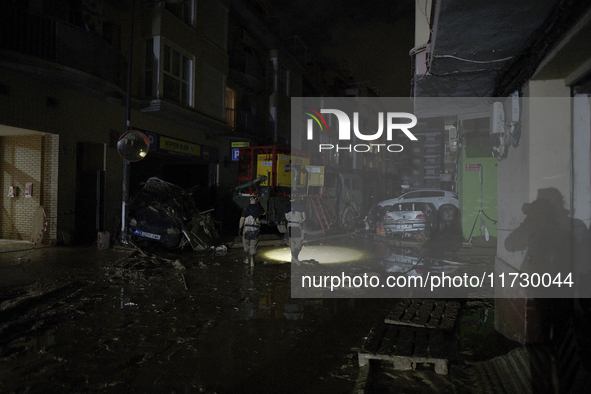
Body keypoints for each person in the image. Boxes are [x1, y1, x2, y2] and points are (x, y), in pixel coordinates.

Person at [238, 193, 265, 265]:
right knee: (253, 246)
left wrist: (240, 229)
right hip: (255, 229)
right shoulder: (259, 208)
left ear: (250, 199)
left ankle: (246, 259)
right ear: (257, 200)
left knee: (246, 244)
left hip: (247, 228)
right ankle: (252, 261)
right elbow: (264, 213)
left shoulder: (246, 208)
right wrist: (259, 205)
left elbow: (242, 219)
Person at [285, 195, 306, 266]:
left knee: (292, 242)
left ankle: (293, 259)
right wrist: (300, 221)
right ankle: (294, 257)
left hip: (290, 226)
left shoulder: (287, 206)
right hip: (297, 226)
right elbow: (304, 217)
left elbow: (287, 218)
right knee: (298, 242)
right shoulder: (301, 206)